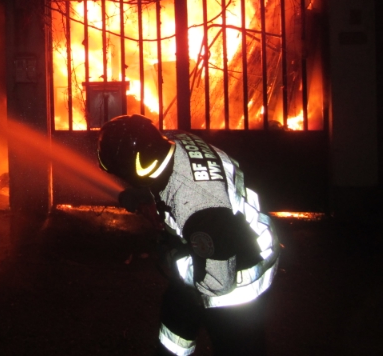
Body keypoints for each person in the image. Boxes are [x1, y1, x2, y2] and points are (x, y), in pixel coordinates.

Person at [97, 114, 279, 356]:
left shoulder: (200, 208)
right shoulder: (171, 140)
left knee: (238, 345)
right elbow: (163, 173)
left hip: (238, 280)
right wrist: (143, 195)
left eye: (121, 174)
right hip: (213, 247)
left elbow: (218, 283)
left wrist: (175, 256)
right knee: (175, 330)